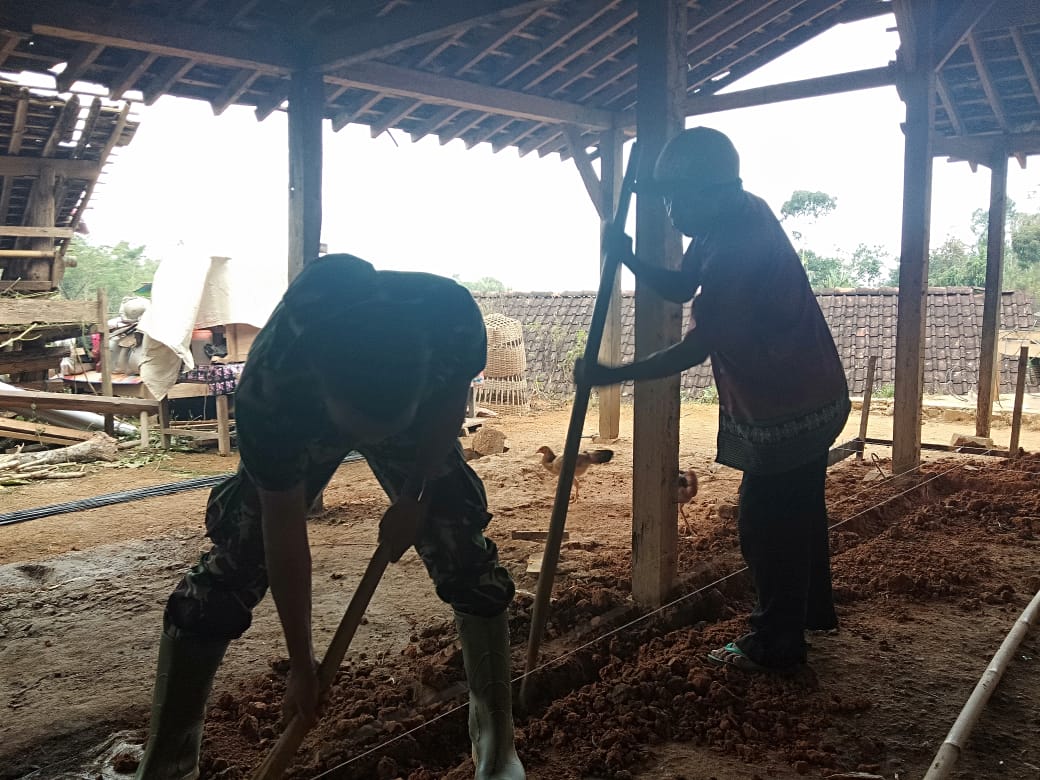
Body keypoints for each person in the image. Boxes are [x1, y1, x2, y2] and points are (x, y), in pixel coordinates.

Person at [135, 254, 524, 780]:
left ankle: (496, 749)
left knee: (459, 538)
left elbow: (447, 407)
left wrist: (417, 495)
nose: (366, 449)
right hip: (305, 411)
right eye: (358, 432)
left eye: (380, 434)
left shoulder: (449, 319)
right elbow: (284, 530)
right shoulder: (273, 389)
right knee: (239, 559)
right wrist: (302, 664)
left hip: (416, 416)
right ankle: (168, 766)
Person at [576, 127, 850, 672]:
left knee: (763, 524)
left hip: (792, 406)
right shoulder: (733, 216)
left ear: (714, 191)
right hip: (809, 393)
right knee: (795, 514)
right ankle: (805, 617)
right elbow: (680, 287)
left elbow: (694, 348)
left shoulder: (735, 250)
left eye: (679, 197)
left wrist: (613, 372)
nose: (673, 211)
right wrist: (627, 257)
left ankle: (777, 644)